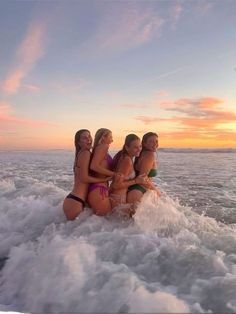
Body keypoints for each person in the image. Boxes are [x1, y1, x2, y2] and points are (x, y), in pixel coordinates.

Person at [63, 129, 110, 220]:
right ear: (79, 142)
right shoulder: (85, 153)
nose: (89, 139)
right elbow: (84, 178)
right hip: (76, 201)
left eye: (89, 137)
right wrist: (104, 180)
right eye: (84, 138)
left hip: (74, 200)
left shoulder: (80, 153)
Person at [109, 134, 147, 215]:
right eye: (135, 147)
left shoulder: (126, 157)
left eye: (140, 146)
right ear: (127, 147)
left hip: (118, 197)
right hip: (119, 198)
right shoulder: (127, 160)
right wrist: (136, 181)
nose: (139, 149)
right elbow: (116, 185)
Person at [127, 132, 161, 207]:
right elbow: (143, 179)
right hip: (138, 190)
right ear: (144, 144)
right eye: (151, 141)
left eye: (156, 141)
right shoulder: (150, 155)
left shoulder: (141, 153)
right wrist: (156, 190)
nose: (155, 144)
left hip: (135, 189)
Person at [87, 128, 115, 215]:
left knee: (100, 224)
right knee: (106, 222)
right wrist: (113, 174)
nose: (112, 140)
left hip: (98, 189)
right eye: (110, 137)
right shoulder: (103, 147)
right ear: (103, 137)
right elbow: (94, 166)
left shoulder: (98, 148)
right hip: (99, 190)